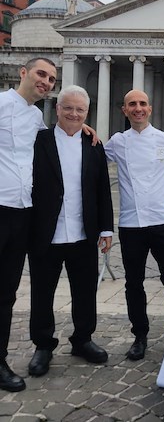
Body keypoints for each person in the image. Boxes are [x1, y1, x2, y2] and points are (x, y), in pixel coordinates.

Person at [27, 85, 113, 377]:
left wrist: (106, 229)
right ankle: (43, 345)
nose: (74, 114)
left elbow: (103, 189)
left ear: (87, 113)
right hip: (45, 232)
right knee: (42, 293)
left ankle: (83, 339)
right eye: (68, 108)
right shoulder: (38, 140)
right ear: (58, 108)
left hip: (82, 233)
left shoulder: (94, 145)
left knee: (85, 291)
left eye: (80, 110)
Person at [104, 89, 164, 361]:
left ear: (150, 108)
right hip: (132, 225)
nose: (138, 108)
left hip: (163, 223)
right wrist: (85, 128)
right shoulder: (118, 142)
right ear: (124, 110)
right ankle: (140, 335)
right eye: (132, 104)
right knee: (133, 283)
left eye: (142, 103)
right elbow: (93, 154)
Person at [0, 57, 57, 391]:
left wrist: (84, 130)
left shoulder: (37, 116)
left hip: (22, 213)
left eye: (51, 78)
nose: (46, 82)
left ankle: (0, 359)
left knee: (6, 293)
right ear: (23, 73)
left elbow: (50, 147)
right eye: (41, 74)